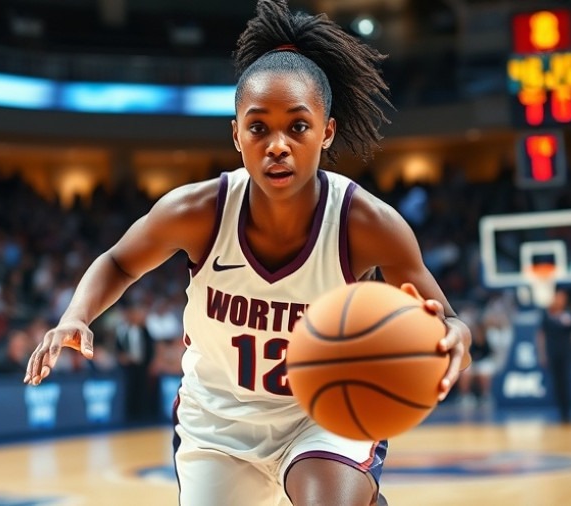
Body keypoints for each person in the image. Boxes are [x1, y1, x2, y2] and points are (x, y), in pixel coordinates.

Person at [24, 1, 471, 505]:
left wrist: (452, 335)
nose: (277, 144)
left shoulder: (366, 224)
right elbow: (119, 262)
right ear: (237, 134)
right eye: (259, 127)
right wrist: (76, 316)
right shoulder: (196, 210)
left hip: (322, 414)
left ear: (327, 131)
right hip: (217, 424)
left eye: (298, 127)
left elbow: (450, 321)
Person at [536, 289, 571, 424]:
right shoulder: (546, 315)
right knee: (556, 383)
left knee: (567, 381)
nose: (560, 300)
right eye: (558, 297)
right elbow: (541, 336)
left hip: (567, 353)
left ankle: (568, 411)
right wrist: (542, 353)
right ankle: (561, 411)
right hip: (552, 353)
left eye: (562, 298)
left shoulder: (570, 315)